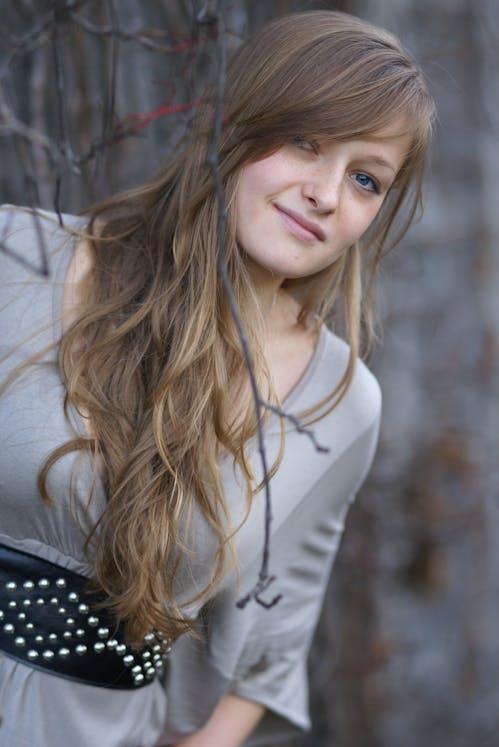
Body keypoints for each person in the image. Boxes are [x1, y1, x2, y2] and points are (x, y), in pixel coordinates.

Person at [0, 9, 435, 747]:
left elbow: (266, 656)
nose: (327, 193)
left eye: (366, 178)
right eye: (306, 142)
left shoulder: (335, 402)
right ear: (240, 121)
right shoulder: (20, 255)